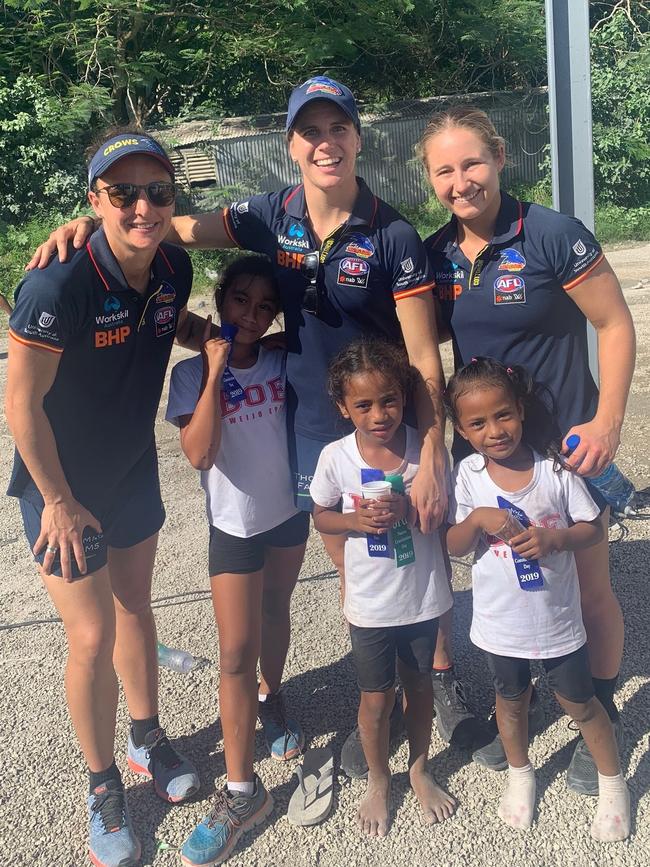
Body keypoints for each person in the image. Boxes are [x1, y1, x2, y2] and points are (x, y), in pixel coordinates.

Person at [27, 77, 476, 768]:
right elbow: (166, 225)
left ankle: (437, 673)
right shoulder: (272, 214)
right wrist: (94, 225)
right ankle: (379, 686)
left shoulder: (394, 233)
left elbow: (421, 355)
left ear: (358, 138)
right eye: (311, 131)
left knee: (418, 539)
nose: (326, 143)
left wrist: (435, 447)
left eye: (339, 129)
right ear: (292, 143)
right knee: (355, 553)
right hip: (309, 417)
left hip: (384, 415)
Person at [4, 131, 216, 867]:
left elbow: (168, 326)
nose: (142, 206)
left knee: (135, 607)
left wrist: (225, 340)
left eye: (156, 191)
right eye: (121, 192)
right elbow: (20, 405)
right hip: (62, 486)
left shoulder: (174, 269)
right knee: (91, 636)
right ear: (94, 200)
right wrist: (58, 501)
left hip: (132, 470)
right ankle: (102, 786)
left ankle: (145, 737)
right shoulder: (55, 285)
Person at [417, 106, 636, 784]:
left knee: (590, 589)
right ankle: (528, 699)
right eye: (444, 170)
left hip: (566, 451)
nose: (462, 181)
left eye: (472, 163)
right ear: (430, 179)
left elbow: (616, 324)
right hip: (487, 459)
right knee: (507, 582)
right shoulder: (435, 255)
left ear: (501, 156)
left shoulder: (549, 234)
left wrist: (606, 422)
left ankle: (597, 713)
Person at [445, 357, 630, 840]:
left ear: (520, 410)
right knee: (509, 701)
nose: (494, 430)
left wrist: (556, 540)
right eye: (478, 423)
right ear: (462, 431)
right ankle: (521, 774)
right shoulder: (467, 476)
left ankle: (614, 785)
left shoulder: (553, 470)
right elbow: (454, 544)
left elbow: (591, 529)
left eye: (503, 414)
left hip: (558, 622)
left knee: (581, 702)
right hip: (499, 624)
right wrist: (479, 517)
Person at [165, 255, 309, 866]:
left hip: (289, 514)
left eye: (264, 306)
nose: (251, 315)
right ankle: (242, 790)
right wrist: (216, 363)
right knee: (232, 655)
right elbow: (198, 454)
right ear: (220, 302)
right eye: (240, 301)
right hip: (234, 528)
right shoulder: (190, 375)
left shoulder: (282, 357)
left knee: (278, 612)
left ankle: (272, 699)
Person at [310, 337, 456, 836]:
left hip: (423, 597)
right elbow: (321, 515)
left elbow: (449, 523)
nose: (379, 415)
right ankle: (379, 778)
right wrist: (352, 522)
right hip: (370, 604)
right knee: (375, 698)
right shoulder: (336, 457)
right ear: (342, 407)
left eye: (390, 400)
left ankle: (418, 767)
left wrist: (413, 512)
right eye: (364, 405)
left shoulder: (426, 452)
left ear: (405, 396)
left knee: (418, 687)